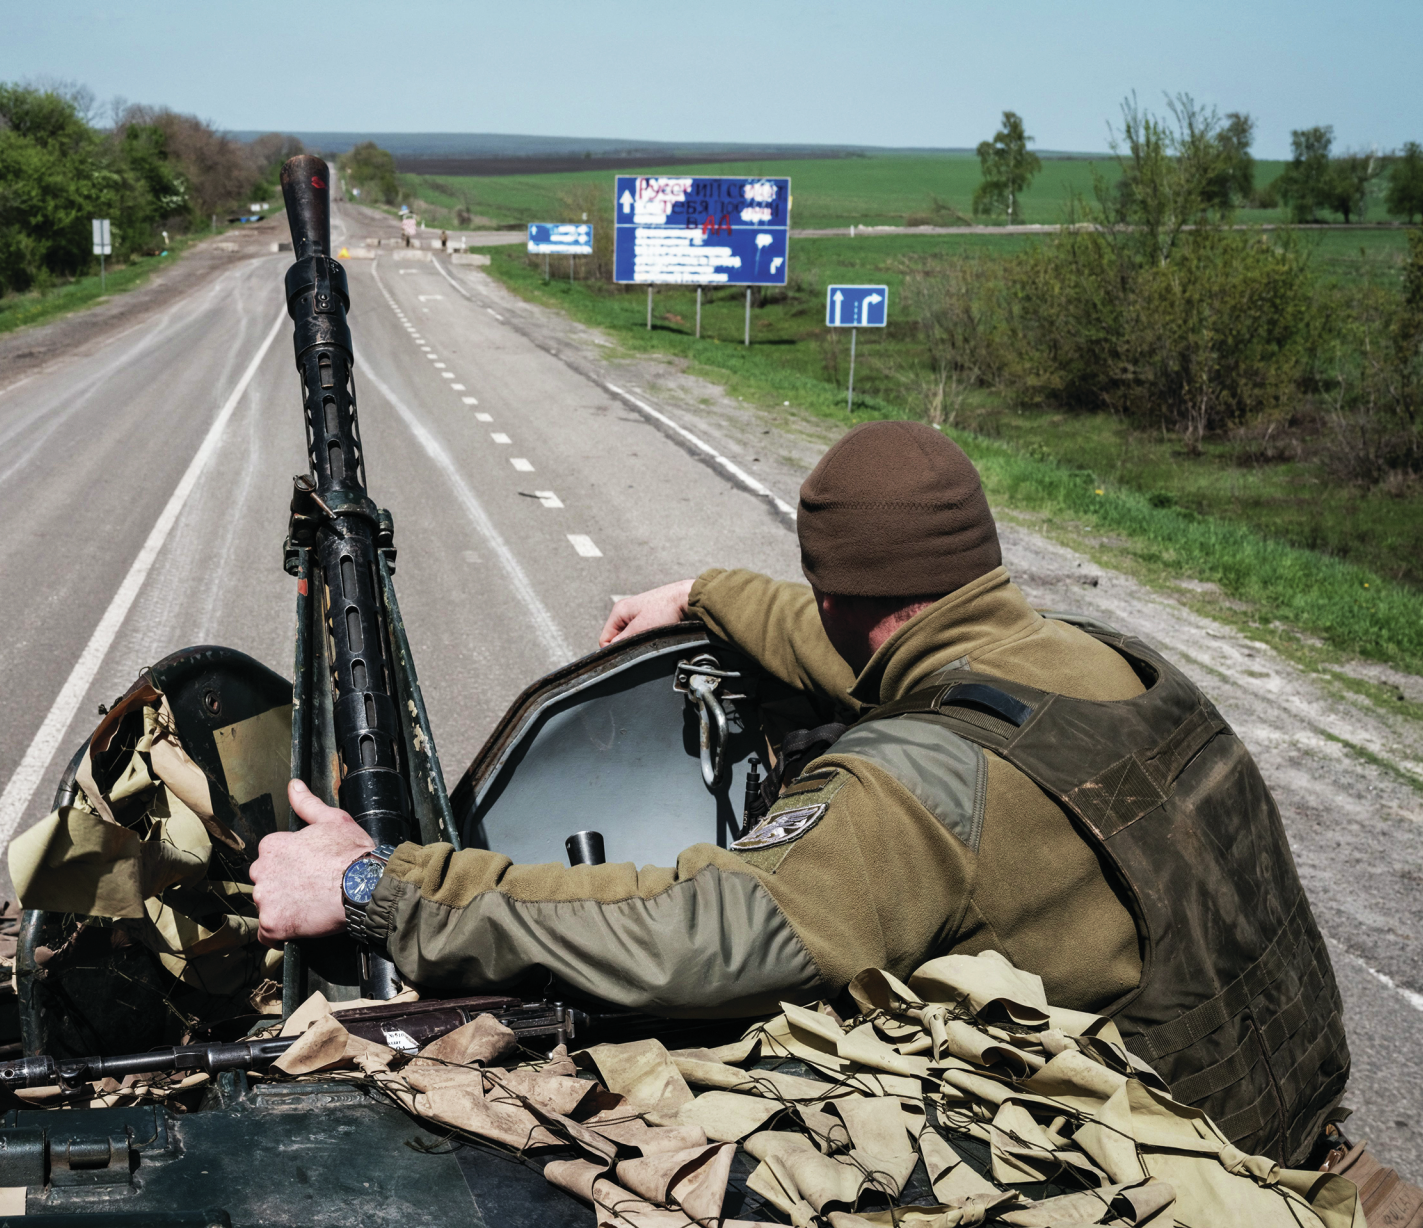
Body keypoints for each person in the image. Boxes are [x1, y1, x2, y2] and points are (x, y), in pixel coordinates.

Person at [251, 419, 1347, 1164]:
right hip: (1271, 1107)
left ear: (845, 594)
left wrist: (375, 883)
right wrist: (707, 595)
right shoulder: (1106, 664)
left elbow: (694, 932)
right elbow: (871, 653)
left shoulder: (918, 785)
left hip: (1158, 1182)